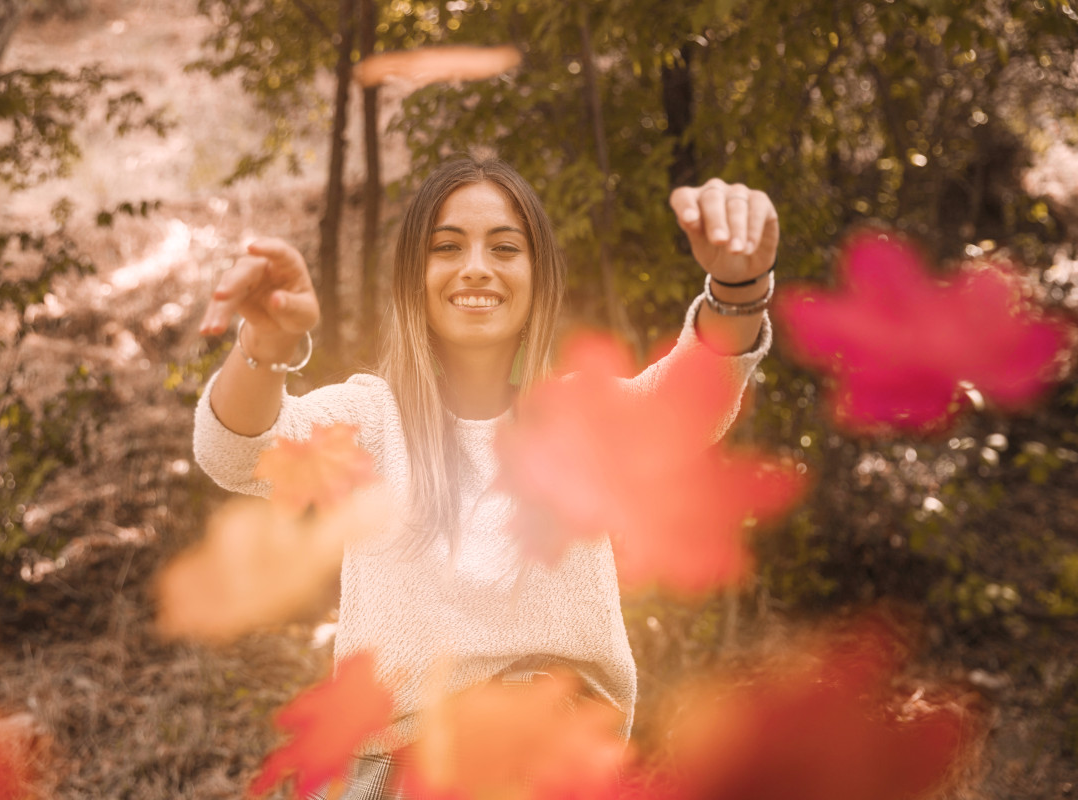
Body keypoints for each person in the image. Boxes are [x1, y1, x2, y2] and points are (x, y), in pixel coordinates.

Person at [193, 156, 779, 796]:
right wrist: (266, 347)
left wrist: (736, 290)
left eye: (505, 247)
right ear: (414, 277)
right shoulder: (369, 418)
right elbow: (236, 453)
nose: (476, 266)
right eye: (447, 247)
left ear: (538, 276)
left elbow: (687, 406)